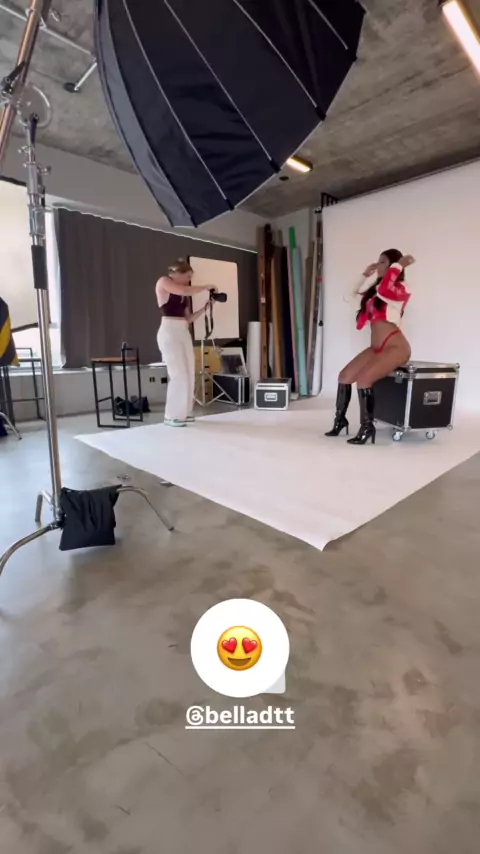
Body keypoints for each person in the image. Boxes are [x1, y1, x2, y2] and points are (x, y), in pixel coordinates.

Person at [326, 248, 415, 445]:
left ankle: (367, 427)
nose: (378, 265)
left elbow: (385, 290)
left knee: (364, 379)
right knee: (344, 376)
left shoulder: (401, 288)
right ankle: (340, 421)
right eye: (378, 261)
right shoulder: (374, 292)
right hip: (377, 347)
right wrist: (364, 275)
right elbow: (348, 295)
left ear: (393, 265)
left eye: (383, 262)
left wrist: (399, 264)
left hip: (395, 346)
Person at [156, 259, 212, 427]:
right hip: (169, 331)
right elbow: (182, 290)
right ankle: (171, 415)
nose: (189, 281)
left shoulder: (183, 296)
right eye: (187, 277)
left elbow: (188, 319)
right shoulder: (164, 281)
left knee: (189, 372)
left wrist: (206, 308)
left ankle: (184, 412)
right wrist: (205, 287)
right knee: (178, 373)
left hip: (183, 330)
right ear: (177, 273)